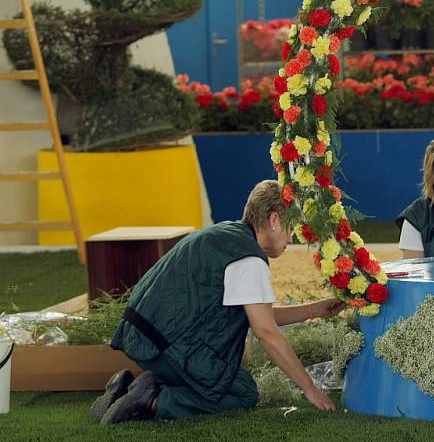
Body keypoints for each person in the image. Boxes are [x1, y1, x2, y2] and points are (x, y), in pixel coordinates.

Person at [91, 180, 345, 425]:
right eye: (291, 229)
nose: (292, 238)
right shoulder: (249, 260)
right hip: (163, 346)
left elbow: (260, 315)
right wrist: (310, 388)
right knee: (243, 393)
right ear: (274, 220)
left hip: (142, 335)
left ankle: (130, 389)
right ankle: (153, 400)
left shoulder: (228, 235)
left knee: (234, 379)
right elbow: (266, 332)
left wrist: (313, 310)